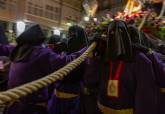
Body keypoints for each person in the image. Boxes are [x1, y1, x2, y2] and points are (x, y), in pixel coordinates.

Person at [0, 24, 86, 114]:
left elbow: (2, 48)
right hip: (32, 109)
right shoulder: (41, 53)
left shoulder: (17, 49)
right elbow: (66, 61)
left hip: (12, 106)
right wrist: (85, 50)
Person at [97, 20, 161, 114]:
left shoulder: (139, 59)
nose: (116, 36)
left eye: (121, 31)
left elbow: (145, 96)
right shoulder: (104, 58)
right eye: (112, 32)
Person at [48, 25, 88, 114]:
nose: (70, 38)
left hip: (74, 101)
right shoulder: (65, 50)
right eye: (69, 35)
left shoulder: (86, 56)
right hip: (56, 98)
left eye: (73, 36)